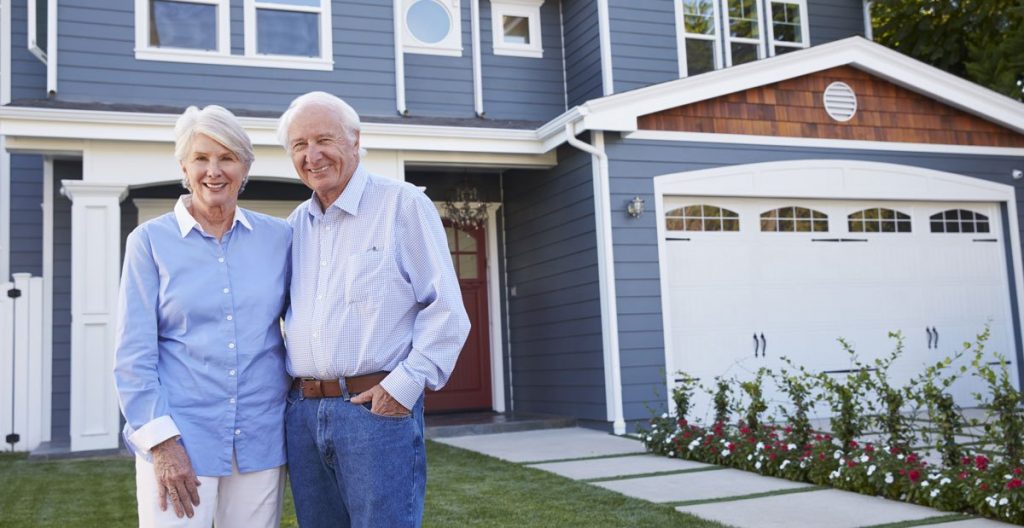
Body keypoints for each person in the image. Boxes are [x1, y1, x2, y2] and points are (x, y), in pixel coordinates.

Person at [279, 91, 471, 527]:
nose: (312, 155)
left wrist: (403, 386)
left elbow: (447, 311)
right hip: (304, 416)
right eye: (299, 145)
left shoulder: (402, 206)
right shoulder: (294, 227)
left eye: (324, 140)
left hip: (372, 412)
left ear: (355, 140)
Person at [114, 105, 292, 527]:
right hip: (181, 440)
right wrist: (162, 445)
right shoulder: (149, 243)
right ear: (183, 166)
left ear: (245, 167)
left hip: (260, 440)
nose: (214, 171)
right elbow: (133, 357)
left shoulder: (280, 238)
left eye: (227, 157)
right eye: (201, 158)